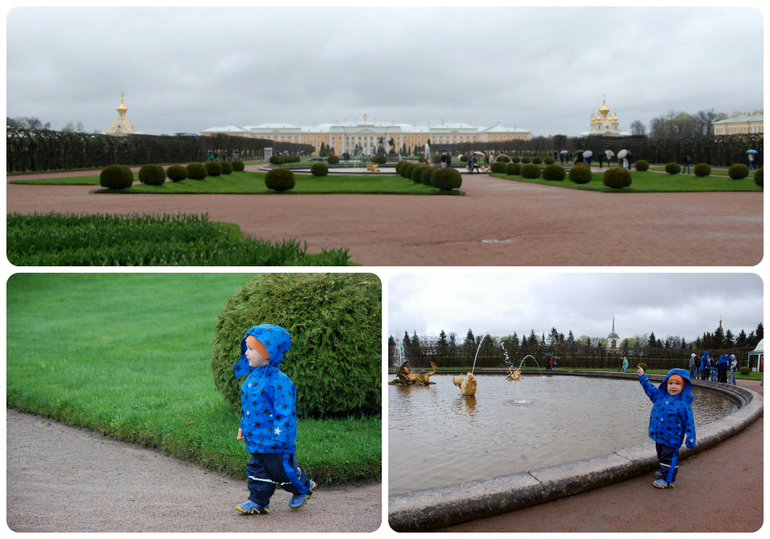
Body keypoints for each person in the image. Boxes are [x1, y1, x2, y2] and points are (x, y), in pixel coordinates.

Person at [233, 324, 315, 515]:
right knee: (256, 469)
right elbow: (248, 410)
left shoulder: (279, 382)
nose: (246, 352)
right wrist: (242, 427)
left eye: (252, 349)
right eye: (247, 347)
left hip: (276, 439)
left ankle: (304, 486)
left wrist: (280, 436)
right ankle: (257, 501)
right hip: (256, 437)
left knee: (281, 471)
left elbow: (285, 412)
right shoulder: (250, 380)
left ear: (268, 353)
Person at [636, 366, 696, 489]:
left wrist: (691, 437)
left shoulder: (684, 404)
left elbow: (689, 422)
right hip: (660, 436)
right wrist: (642, 376)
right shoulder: (660, 396)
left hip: (673, 438)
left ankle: (668, 480)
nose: (673, 386)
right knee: (661, 455)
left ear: (683, 386)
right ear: (666, 384)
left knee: (669, 458)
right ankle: (665, 471)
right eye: (671, 383)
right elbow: (650, 389)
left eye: (677, 384)